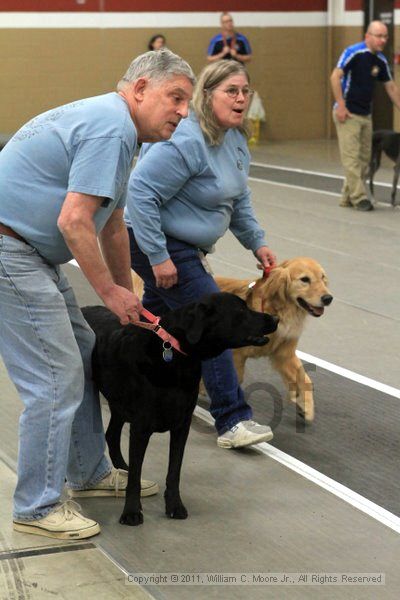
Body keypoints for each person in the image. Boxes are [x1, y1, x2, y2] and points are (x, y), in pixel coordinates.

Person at [0, 49, 195, 540]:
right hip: (11, 251)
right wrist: (108, 291)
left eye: (187, 102)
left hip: (28, 252)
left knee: (85, 352)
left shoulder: (118, 130)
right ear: (140, 89)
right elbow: (74, 220)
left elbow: (111, 225)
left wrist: (130, 295)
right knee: (54, 377)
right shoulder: (112, 129)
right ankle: (37, 506)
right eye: (175, 97)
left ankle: (89, 473)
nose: (183, 112)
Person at [125, 60, 276, 449]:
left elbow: (238, 197)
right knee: (214, 321)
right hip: (153, 240)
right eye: (231, 91)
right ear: (206, 96)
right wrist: (158, 257)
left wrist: (256, 242)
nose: (241, 98)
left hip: (184, 246)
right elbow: (140, 192)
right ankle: (231, 419)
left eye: (246, 91)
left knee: (158, 321)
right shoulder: (187, 140)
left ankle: (128, 381)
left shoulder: (235, 139)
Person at [331, 20, 400, 211]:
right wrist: (341, 106)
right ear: (367, 36)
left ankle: (347, 197)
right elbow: (335, 77)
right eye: (379, 36)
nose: (383, 40)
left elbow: (391, 87)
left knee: (363, 159)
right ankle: (360, 198)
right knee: (351, 158)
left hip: (365, 115)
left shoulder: (381, 61)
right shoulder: (354, 52)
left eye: (385, 36)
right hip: (347, 113)